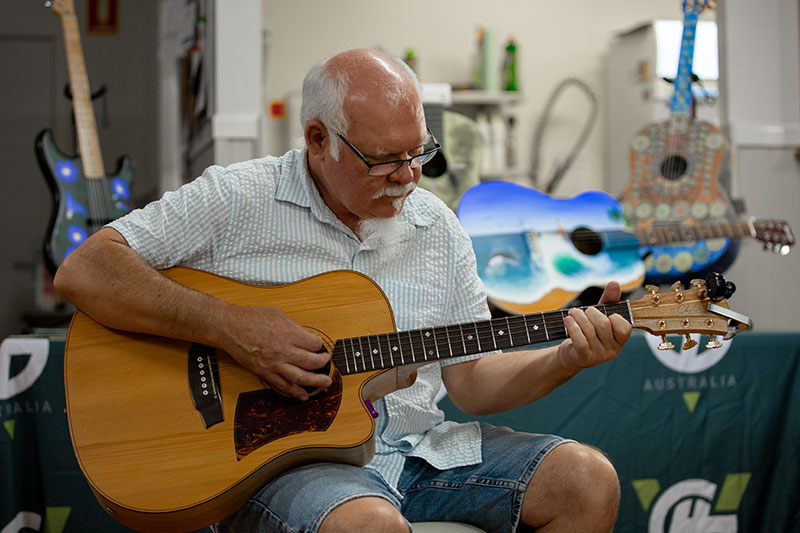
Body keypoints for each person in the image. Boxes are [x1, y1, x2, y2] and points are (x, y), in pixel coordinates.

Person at [54, 48, 632, 533]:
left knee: (587, 480)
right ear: (317, 138)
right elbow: (86, 269)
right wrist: (229, 327)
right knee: (371, 525)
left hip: (422, 452)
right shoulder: (237, 199)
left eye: (419, 153)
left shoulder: (437, 228)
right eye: (384, 160)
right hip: (285, 465)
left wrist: (567, 356)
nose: (408, 176)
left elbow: (474, 383)